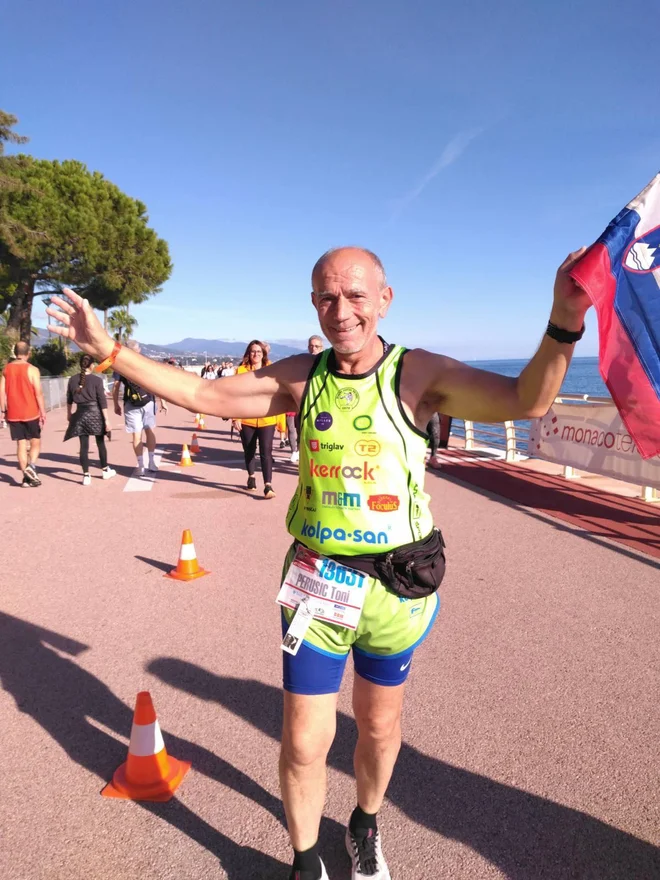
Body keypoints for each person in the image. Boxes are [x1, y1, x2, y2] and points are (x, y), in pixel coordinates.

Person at [47, 245, 590, 880]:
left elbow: (527, 400)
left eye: (357, 295)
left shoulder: (420, 375)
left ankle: (365, 822)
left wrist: (563, 317)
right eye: (328, 297)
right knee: (305, 742)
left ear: (384, 300)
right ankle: (305, 859)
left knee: (379, 730)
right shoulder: (302, 378)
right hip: (317, 584)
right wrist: (111, 351)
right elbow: (201, 393)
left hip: (399, 589)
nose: (343, 310)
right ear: (313, 304)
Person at [112, 340, 168, 476]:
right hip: (148, 401)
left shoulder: (120, 364)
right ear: (138, 350)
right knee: (150, 431)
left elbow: (116, 386)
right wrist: (163, 401)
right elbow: (157, 383)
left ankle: (140, 466)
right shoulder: (146, 362)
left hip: (131, 403)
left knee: (136, 435)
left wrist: (116, 404)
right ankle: (152, 462)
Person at [64, 353, 117, 485]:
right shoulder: (97, 381)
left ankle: (86, 475)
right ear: (92, 365)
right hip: (95, 414)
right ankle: (105, 470)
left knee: (83, 446)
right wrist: (107, 420)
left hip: (80, 414)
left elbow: (69, 399)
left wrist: (69, 413)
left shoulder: (72, 380)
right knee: (100, 443)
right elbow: (102, 402)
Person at [234, 340, 277, 499]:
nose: (256, 354)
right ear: (248, 353)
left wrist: (280, 422)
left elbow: (276, 395)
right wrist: (235, 417)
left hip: (267, 417)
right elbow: (235, 396)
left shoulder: (271, 369)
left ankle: (268, 486)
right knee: (249, 450)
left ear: (264, 354)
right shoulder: (241, 370)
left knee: (266, 451)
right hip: (247, 418)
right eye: (253, 351)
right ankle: (251, 476)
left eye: (259, 351)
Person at [0, 341, 46, 487]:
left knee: (21, 443)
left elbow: (2, 392)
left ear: (15, 352)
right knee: (35, 441)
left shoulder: (6, 369)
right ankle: (31, 468)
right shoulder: (32, 369)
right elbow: (38, 393)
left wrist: (3, 410)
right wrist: (43, 412)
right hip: (31, 411)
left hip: (13, 412)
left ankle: (26, 479)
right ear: (28, 353)